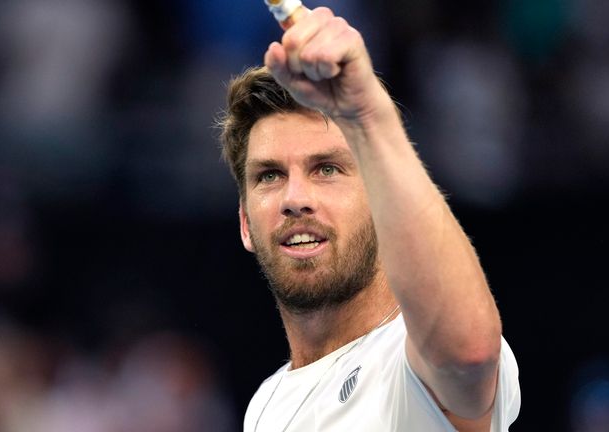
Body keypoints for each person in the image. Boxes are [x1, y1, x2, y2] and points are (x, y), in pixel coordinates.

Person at [217, 6, 521, 432]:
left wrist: (366, 114)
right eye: (270, 175)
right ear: (246, 223)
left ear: (383, 205)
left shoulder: (409, 363)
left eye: (326, 168)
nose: (295, 198)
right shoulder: (266, 405)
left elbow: (468, 354)